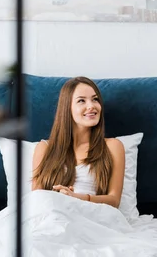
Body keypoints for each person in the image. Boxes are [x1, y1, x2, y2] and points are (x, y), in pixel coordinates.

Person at [31, 76, 125, 208]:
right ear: (67, 108)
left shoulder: (113, 146)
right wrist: (59, 198)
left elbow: (114, 201)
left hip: (94, 217)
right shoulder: (45, 148)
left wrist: (75, 198)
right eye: (81, 100)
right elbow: (36, 198)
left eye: (95, 99)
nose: (91, 106)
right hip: (54, 215)